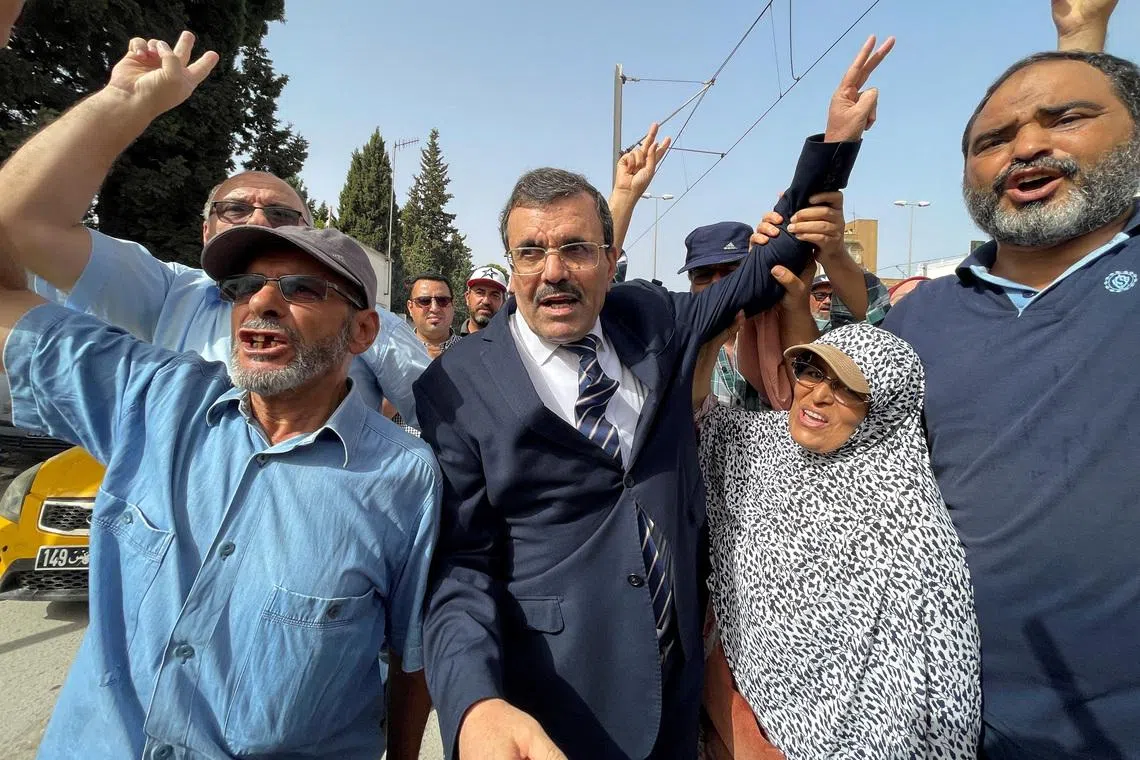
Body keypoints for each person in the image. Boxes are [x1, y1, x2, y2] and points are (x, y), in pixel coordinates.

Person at [414, 35, 890, 759]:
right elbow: (460, 566)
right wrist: (475, 704)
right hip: (555, 702)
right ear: (508, 267)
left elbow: (766, 270)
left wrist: (832, 146)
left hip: (677, 688)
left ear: (610, 258)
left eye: (575, 248)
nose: (554, 272)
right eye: (531, 254)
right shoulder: (456, 383)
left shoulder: (653, 321)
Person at [0, 168, 441, 760]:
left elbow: (412, 660)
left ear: (362, 330)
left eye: (301, 288)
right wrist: (127, 103)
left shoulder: (404, 481)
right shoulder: (155, 402)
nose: (260, 302)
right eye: (242, 286)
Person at [884, 47, 1140, 758]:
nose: (1027, 147)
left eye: (1067, 118)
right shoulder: (919, 318)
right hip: (956, 719)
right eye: (992, 141)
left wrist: (1086, 29)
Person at [0, 32, 430, 428]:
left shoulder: (363, 319)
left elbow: (452, 432)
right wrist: (120, 103)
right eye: (236, 210)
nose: (259, 221)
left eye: (282, 216)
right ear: (206, 233)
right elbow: (19, 225)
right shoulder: (166, 293)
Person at [697, 323, 980, 759]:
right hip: (725, 716)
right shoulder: (763, 444)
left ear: (885, 409)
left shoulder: (909, 532)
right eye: (810, 370)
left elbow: (927, 709)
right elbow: (700, 414)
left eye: (848, 388)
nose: (818, 395)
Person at [407, 274, 460, 359]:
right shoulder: (395, 351)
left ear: (453, 305)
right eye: (424, 301)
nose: (434, 308)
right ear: (410, 307)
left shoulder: (472, 351)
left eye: (442, 300)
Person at [461, 265, 508, 335]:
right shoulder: (450, 340)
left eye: (495, 295)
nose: (486, 301)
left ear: (503, 302)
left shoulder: (511, 342)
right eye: (479, 293)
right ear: (467, 298)